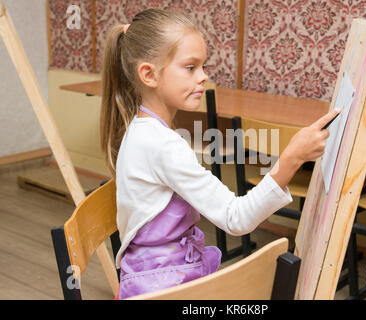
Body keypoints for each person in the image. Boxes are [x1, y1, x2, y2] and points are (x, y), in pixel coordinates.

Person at [100, 8, 339, 300]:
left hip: (151, 277)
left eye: (203, 66)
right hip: (162, 289)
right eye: (190, 67)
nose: (203, 77)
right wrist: (292, 159)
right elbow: (235, 218)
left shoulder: (142, 130)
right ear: (149, 74)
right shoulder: (162, 145)